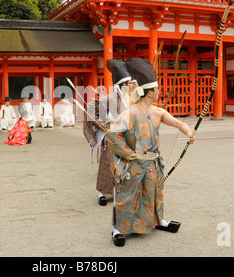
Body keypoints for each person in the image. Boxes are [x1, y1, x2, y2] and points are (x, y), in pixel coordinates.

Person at [106, 58, 195, 247]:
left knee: (154, 192)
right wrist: (128, 154)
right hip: (134, 162)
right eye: (157, 90)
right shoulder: (131, 112)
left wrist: (188, 132)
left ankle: (158, 220)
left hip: (153, 163)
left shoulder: (158, 112)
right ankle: (118, 229)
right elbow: (112, 133)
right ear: (149, 93)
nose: (159, 92)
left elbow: (178, 123)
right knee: (126, 194)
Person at [83, 59, 135, 207]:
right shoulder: (109, 98)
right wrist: (104, 124)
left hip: (126, 137)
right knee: (107, 164)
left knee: (126, 164)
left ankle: (122, 192)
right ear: (123, 84)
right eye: (130, 83)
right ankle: (101, 193)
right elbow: (91, 109)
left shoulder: (131, 100)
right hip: (111, 136)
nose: (131, 85)